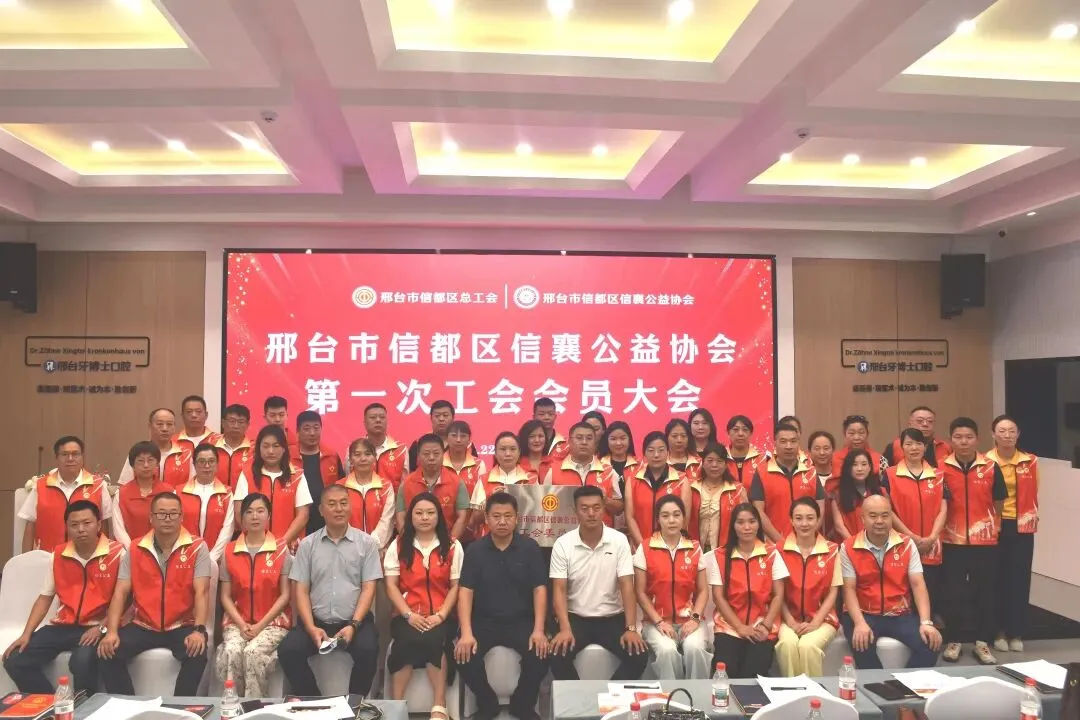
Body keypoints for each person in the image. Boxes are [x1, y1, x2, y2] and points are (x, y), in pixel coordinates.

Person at [98, 492, 211, 695]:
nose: (167, 519)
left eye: (173, 514)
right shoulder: (136, 548)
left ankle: (177, 709)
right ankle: (129, 706)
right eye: (161, 514)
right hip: (143, 625)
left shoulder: (197, 547)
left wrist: (199, 630)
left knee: (197, 653)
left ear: (181, 517)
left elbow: (201, 592)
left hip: (181, 624)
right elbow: (120, 593)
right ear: (151, 517)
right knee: (106, 651)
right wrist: (112, 631)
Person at [3, 501, 122, 694]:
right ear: (66, 527)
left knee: (81, 662)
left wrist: (102, 627)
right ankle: (52, 705)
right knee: (15, 659)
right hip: (62, 626)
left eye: (87, 523)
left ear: (99, 524)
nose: (81, 529)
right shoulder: (58, 554)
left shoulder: (117, 554)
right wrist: (26, 634)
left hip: (96, 625)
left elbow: (125, 601)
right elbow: (44, 598)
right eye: (74, 524)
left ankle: (85, 706)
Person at [279, 484, 381, 696]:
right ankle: (315, 701)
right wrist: (311, 627)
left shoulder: (367, 543)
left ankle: (353, 705)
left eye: (343, 503)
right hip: (316, 621)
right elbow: (301, 590)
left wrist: (353, 625)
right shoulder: (308, 545)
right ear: (321, 510)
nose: (338, 509)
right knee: (288, 650)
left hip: (355, 621)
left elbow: (369, 588)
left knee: (369, 649)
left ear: (350, 507)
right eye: (332, 504)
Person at [456, 493, 549, 720]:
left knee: (541, 655)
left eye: (508, 516)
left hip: (521, 620)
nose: (502, 521)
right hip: (484, 621)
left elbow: (540, 589)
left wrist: (539, 630)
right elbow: (465, 592)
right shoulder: (475, 550)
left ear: (517, 518)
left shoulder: (530, 548)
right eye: (496, 516)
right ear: (487, 518)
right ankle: (487, 705)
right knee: (463, 655)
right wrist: (466, 633)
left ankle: (522, 705)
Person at [549, 485, 647, 680]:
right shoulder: (563, 543)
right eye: (584, 508)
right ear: (575, 511)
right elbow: (559, 589)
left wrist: (631, 628)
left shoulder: (619, 540)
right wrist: (565, 628)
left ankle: (609, 696)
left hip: (612, 618)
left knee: (638, 655)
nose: (591, 513)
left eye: (596, 507)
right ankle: (578, 698)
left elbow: (627, 586)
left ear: (604, 509)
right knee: (557, 655)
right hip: (576, 618)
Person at [384, 493, 463, 720]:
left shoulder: (453, 546)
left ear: (439, 516)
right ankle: (396, 707)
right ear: (411, 517)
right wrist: (408, 615)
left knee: (434, 640)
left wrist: (441, 615)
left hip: (442, 616)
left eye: (430, 513)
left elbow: (456, 587)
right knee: (405, 642)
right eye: (419, 513)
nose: (425, 517)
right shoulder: (398, 545)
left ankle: (439, 706)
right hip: (406, 615)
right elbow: (391, 586)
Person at [840, 494, 941, 669]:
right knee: (863, 646)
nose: (879, 521)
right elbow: (848, 589)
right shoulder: (848, 547)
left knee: (930, 644)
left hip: (898, 613)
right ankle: (878, 684)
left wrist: (926, 622)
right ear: (862, 519)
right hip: (863, 613)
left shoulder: (907, 544)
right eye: (873, 516)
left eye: (885, 515)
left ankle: (902, 683)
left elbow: (918, 584)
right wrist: (860, 623)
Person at [940, 417, 1007, 665]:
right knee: (953, 593)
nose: (964, 442)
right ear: (951, 440)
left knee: (986, 592)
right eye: (958, 437)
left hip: (985, 542)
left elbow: (998, 501)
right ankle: (954, 640)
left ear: (977, 439)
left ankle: (982, 643)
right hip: (952, 540)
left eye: (968, 437)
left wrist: (991, 526)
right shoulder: (940, 468)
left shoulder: (990, 467)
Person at [216, 493, 292, 698]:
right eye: (249, 512)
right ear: (241, 518)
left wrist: (259, 626)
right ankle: (232, 705)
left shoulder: (280, 549)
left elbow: (285, 595)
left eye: (260, 511)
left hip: (273, 623)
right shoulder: (229, 551)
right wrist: (242, 625)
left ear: (269, 515)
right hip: (237, 621)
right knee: (232, 651)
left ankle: (254, 706)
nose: (255, 516)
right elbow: (225, 596)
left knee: (252, 653)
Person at [704, 503, 786, 678]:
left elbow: (778, 595)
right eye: (740, 522)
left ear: (758, 524)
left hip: (762, 625)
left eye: (752, 521)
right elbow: (718, 597)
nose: (747, 527)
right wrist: (740, 627)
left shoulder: (771, 553)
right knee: (725, 669)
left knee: (754, 672)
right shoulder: (720, 556)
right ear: (733, 526)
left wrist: (766, 625)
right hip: (729, 626)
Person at [633, 495, 710, 680]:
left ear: (684, 518)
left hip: (689, 620)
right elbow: (640, 592)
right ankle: (671, 696)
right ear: (658, 519)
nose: (671, 520)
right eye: (665, 516)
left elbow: (703, 591)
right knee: (667, 651)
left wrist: (695, 619)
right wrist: (659, 622)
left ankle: (697, 695)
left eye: (676, 515)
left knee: (696, 649)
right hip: (655, 622)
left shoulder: (694, 548)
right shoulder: (645, 548)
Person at [987, 415, 1039, 653]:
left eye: (1011, 431)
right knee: (996, 578)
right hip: (994, 526)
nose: (1007, 435)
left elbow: (1034, 492)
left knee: (1019, 579)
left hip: (1021, 526)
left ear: (1018, 434)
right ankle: (997, 631)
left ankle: (1016, 631)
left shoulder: (1030, 461)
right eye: (1002, 431)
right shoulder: (985, 461)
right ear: (993, 435)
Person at [775, 498, 841, 677]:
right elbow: (777, 593)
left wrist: (816, 622)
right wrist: (790, 621)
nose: (804, 523)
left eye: (810, 518)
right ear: (791, 520)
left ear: (818, 520)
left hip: (823, 619)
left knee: (807, 646)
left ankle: (813, 690)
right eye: (799, 518)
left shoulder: (832, 550)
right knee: (787, 644)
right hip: (787, 618)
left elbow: (833, 592)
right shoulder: (779, 550)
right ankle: (791, 689)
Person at [885, 429, 947, 617]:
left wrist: (932, 537)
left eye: (918, 444)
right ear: (901, 447)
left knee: (931, 590)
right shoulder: (890, 475)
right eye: (909, 444)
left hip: (931, 545)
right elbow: (887, 510)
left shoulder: (938, 475)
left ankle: (928, 626)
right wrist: (910, 536)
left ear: (925, 447)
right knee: (904, 595)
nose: (914, 448)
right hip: (902, 543)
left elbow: (943, 509)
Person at [20, 436, 112, 553]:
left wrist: (103, 556)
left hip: (86, 558)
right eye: (64, 454)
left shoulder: (98, 485)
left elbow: (104, 525)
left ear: (82, 457)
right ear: (56, 458)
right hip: (48, 556)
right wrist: (26, 558)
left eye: (75, 454)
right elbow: (30, 525)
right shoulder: (40, 486)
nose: (70, 458)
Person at [234, 425, 312, 548]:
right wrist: (257, 541)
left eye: (276, 446)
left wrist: (281, 543)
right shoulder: (247, 474)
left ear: (284, 449)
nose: (270, 451)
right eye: (266, 446)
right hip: (254, 546)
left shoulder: (297, 476)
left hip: (288, 547)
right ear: (258, 448)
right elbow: (239, 512)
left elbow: (303, 516)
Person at [750, 423, 823, 543]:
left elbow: (820, 507)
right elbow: (758, 511)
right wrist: (780, 541)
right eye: (783, 441)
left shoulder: (810, 471)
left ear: (798, 443)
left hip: (807, 544)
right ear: (775, 443)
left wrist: (807, 536)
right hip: (773, 544)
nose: (789, 446)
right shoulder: (762, 472)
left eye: (793, 441)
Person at [543, 423, 624, 522]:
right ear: (569, 442)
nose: (584, 442)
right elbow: (544, 507)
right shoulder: (553, 471)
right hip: (564, 529)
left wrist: (605, 500)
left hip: (601, 530)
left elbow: (619, 510)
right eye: (579, 438)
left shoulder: (609, 472)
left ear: (595, 443)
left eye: (589, 438)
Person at [397, 434, 470, 541]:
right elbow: (400, 517)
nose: (431, 458)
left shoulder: (457, 482)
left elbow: (463, 517)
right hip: (414, 542)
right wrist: (410, 543)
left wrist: (449, 543)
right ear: (418, 456)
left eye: (436, 453)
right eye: (426, 454)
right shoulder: (406, 483)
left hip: (448, 542)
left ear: (443, 454)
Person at [625, 432, 686, 548]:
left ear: (668, 452)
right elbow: (629, 517)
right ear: (644, 453)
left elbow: (684, 518)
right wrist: (642, 547)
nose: (656, 455)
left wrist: (668, 547)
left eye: (661, 450)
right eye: (651, 450)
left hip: (671, 547)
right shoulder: (633, 480)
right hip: (639, 547)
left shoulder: (681, 480)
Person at [469, 432, 537, 536]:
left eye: (513, 449)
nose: (508, 454)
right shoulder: (484, 479)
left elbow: (538, 514)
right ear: (495, 453)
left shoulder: (531, 479)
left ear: (519, 453)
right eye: (503, 449)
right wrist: (490, 501)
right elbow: (476, 519)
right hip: (490, 539)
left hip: (524, 537)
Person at [683, 443, 745, 552]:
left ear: (726, 465)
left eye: (719, 461)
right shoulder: (692, 488)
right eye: (710, 460)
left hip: (726, 551)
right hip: (694, 550)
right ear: (703, 463)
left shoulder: (737, 490)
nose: (714, 465)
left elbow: (744, 521)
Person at [178, 444, 234, 562]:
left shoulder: (226, 494)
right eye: (202, 461)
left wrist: (212, 557)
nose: (207, 466)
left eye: (211, 461)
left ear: (217, 464)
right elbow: (175, 525)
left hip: (215, 559)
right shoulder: (179, 492)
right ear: (194, 464)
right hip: (183, 555)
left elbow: (228, 528)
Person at [113, 441, 172, 549]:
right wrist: (133, 550)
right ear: (132, 465)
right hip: (130, 551)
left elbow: (173, 524)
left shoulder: (169, 492)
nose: (146, 465)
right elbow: (119, 529)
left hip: (163, 550)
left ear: (157, 463)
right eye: (140, 461)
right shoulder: (121, 494)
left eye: (150, 460)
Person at [294, 410, 345, 535]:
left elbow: (342, 487)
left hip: (327, 523)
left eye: (316, 428)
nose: (312, 433)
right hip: (297, 522)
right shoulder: (288, 458)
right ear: (297, 432)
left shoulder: (332, 456)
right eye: (307, 429)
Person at [338, 438, 395, 549]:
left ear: (374, 457)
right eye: (357, 455)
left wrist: (371, 544)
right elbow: (338, 518)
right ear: (350, 460)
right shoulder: (340, 487)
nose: (363, 458)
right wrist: (353, 544)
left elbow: (387, 520)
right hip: (347, 548)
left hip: (378, 550)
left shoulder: (386, 487)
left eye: (368, 454)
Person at [163, 395, 221, 487]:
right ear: (182, 416)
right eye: (189, 412)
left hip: (214, 493)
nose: (194, 415)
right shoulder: (171, 442)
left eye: (198, 411)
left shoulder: (219, 441)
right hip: (178, 494)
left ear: (206, 415)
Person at [831, 449, 886, 541]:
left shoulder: (880, 492)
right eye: (855, 465)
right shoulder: (837, 494)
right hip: (849, 544)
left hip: (876, 544)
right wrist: (856, 544)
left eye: (864, 464)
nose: (859, 469)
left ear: (870, 467)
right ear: (848, 468)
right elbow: (839, 526)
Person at [117, 408, 176, 485]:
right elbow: (125, 486)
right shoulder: (138, 452)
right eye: (159, 424)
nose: (165, 429)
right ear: (150, 426)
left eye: (169, 424)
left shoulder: (186, 455)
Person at [884, 407, 951, 469]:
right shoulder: (895, 446)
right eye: (920, 421)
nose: (925, 424)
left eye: (930, 421)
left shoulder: (945, 447)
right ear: (910, 424)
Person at [443, 420, 487, 514]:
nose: (458, 440)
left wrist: (471, 521)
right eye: (454, 435)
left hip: (472, 520)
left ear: (469, 440)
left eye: (463, 436)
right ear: (446, 438)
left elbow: (480, 500)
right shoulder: (438, 463)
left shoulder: (479, 465)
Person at [364, 402, 409, 491]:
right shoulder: (355, 449)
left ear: (387, 422)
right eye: (373, 417)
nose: (378, 420)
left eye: (382, 417)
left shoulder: (401, 450)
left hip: (393, 499)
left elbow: (404, 484)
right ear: (364, 423)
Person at [407, 400, 459, 471]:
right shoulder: (419, 444)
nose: (441, 419)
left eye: (445, 415)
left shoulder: (465, 445)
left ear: (453, 418)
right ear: (431, 418)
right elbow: (410, 472)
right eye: (437, 416)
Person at [214, 404, 254, 490]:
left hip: (245, 497)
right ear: (223, 423)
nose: (236, 426)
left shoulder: (254, 450)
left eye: (241, 422)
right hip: (216, 496)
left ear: (248, 424)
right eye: (232, 421)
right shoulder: (211, 447)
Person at [807, 431, 837, 538]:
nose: (822, 452)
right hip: (810, 537)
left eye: (826, 448)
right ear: (809, 452)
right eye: (817, 448)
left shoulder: (840, 477)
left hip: (837, 539)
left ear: (833, 450)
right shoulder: (804, 478)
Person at [597, 421, 639, 499]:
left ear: (629, 439)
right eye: (613, 439)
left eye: (623, 438)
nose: (618, 443)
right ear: (607, 441)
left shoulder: (640, 465)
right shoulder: (598, 465)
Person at [725, 415, 767, 489]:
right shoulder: (721, 457)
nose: (740, 434)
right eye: (736, 430)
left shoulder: (763, 458)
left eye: (745, 430)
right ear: (728, 433)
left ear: (751, 434)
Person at [518, 420, 552, 490]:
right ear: (524, 438)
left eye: (540, 436)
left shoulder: (554, 464)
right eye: (532, 436)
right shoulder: (517, 465)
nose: (537, 440)